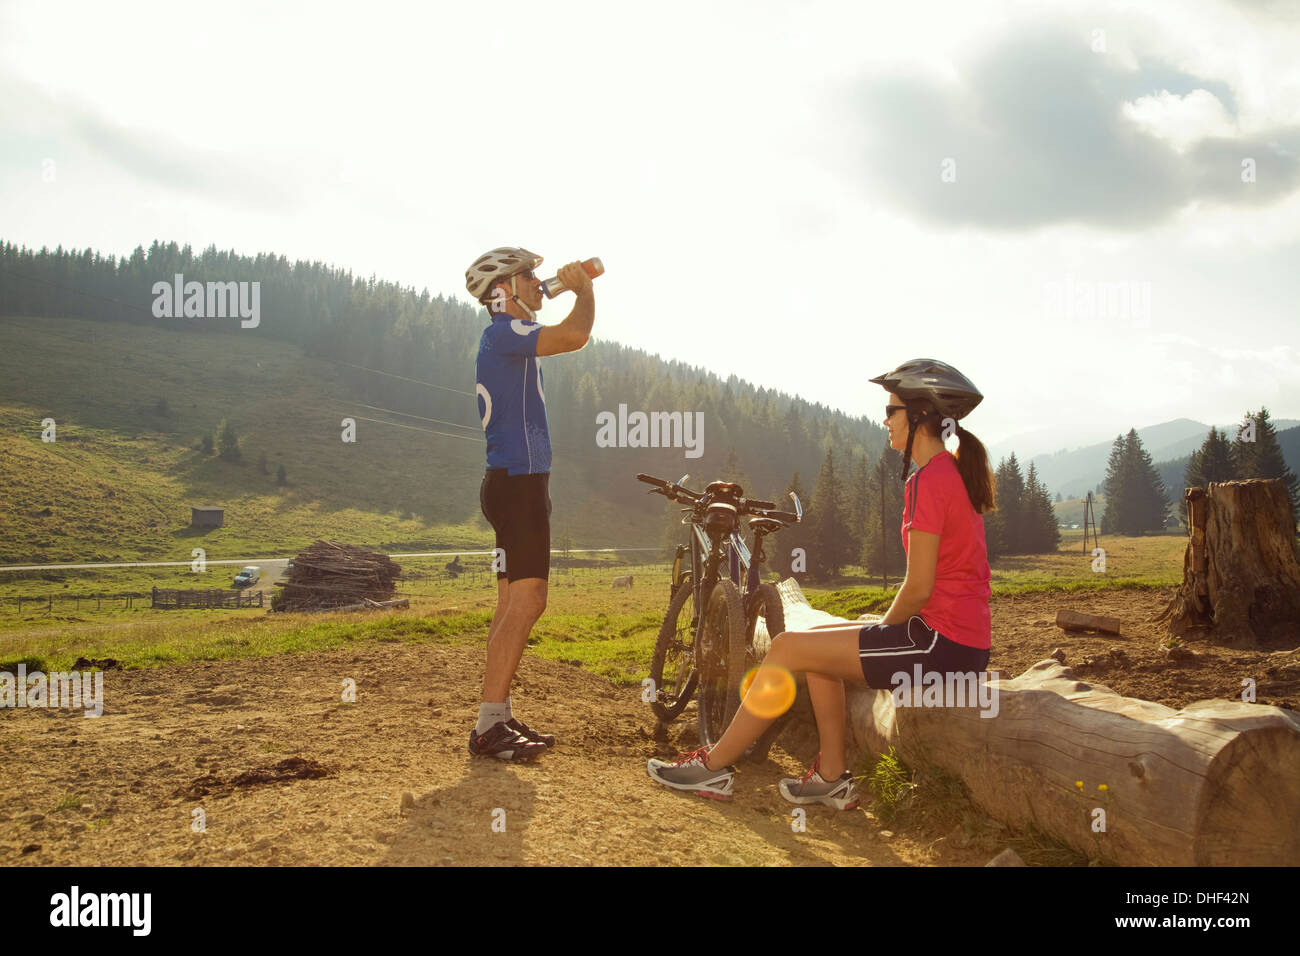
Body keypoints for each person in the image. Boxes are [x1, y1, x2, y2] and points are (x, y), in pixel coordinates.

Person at [647, 359, 995, 804]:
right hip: (950, 638)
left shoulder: (931, 480)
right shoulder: (946, 472)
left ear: (921, 415)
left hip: (942, 644)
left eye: (892, 411)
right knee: (812, 641)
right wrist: (879, 630)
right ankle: (831, 773)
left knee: (789, 648)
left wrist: (881, 629)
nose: (884, 420)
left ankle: (713, 767)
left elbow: (919, 586)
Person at [464, 247, 595, 760]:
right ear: (502, 292)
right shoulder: (504, 332)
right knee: (529, 601)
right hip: (518, 485)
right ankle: (488, 726)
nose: (539, 283)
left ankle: (494, 718)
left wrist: (571, 289)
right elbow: (575, 337)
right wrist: (584, 291)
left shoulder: (505, 339)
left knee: (508, 607)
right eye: (529, 277)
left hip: (510, 482)